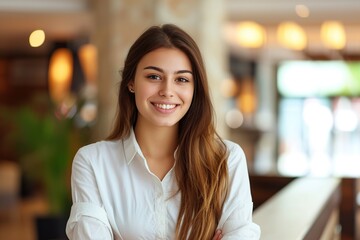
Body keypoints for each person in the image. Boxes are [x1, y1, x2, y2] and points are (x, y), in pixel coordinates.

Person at [66, 23, 260, 240]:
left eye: (182, 79)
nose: (167, 91)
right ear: (131, 82)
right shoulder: (93, 162)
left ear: (195, 89)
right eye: (154, 77)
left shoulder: (227, 159)